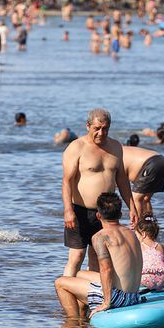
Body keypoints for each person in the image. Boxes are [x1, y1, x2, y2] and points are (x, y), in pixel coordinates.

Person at [61, 109, 136, 277]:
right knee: (77, 257)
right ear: (88, 126)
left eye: (105, 129)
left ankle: (92, 298)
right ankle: (67, 290)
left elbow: (122, 180)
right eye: (97, 128)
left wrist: (132, 207)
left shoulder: (116, 147)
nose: (101, 133)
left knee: (98, 257)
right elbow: (66, 181)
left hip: (105, 213)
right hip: (79, 211)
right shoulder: (76, 147)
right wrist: (68, 210)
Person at [54, 192, 143, 318]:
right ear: (120, 214)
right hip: (134, 296)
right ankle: (83, 316)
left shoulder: (100, 237)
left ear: (98, 215)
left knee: (60, 283)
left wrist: (107, 302)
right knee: (79, 274)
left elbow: (106, 269)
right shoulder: (131, 233)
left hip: (118, 300)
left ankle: (73, 324)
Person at [122, 146, 164, 215]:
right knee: (145, 199)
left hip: (151, 163)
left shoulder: (116, 156)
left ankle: (138, 224)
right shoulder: (121, 149)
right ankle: (149, 222)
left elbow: (120, 183)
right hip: (162, 161)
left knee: (136, 198)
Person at [135, 213, 164, 291]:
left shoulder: (139, 246)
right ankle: (158, 286)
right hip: (162, 281)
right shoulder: (160, 246)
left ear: (143, 234)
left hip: (144, 279)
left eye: (136, 235)